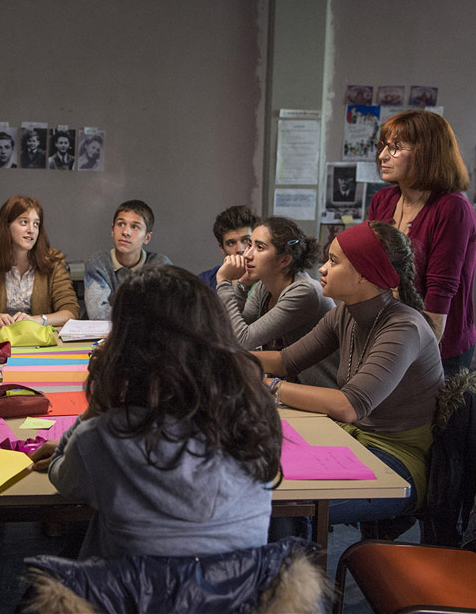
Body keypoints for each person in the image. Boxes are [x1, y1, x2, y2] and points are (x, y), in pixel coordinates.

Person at [28, 265, 282, 559]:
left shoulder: (106, 434)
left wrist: (97, 403)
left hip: (137, 596)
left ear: (125, 345)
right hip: (239, 593)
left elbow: (63, 478)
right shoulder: (254, 416)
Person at [254, 221, 443, 530]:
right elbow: (286, 360)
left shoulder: (403, 327)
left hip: (398, 460)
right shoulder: (346, 312)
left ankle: (296, 577)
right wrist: (225, 357)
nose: (322, 269)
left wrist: (267, 385)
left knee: (289, 505)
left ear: (365, 274)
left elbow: (349, 406)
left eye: (334, 261)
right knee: (270, 481)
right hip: (353, 441)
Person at [368, 110, 476, 376]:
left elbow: (440, 293)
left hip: (437, 343)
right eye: (383, 146)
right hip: (387, 331)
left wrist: (417, 358)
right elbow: (369, 269)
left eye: (396, 148)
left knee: (427, 417)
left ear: (426, 152)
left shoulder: (452, 208)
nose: (383, 156)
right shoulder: (383, 200)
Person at [215, 216, 338, 388]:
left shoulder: (305, 291)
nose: (247, 254)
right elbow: (227, 332)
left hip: (319, 392)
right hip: (286, 389)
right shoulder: (264, 286)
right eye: (250, 244)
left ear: (284, 260)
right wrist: (242, 285)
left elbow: (243, 340)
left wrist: (223, 281)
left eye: (259, 247)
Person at [0, 195, 79, 329]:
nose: (31, 230)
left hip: (40, 340)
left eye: (36, 224)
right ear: (6, 225)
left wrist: (38, 320)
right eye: (24, 222)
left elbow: (71, 312)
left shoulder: (53, 260)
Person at [84, 200, 171, 320]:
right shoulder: (99, 263)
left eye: (135, 227)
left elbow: (171, 312)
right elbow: (98, 315)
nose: (126, 232)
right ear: (112, 230)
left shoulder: (160, 265)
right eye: (120, 224)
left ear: (147, 237)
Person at [198, 205, 258, 289]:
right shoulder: (204, 282)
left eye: (246, 240)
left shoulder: (268, 282)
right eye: (231, 243)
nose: (240, 249)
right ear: (222, 248)